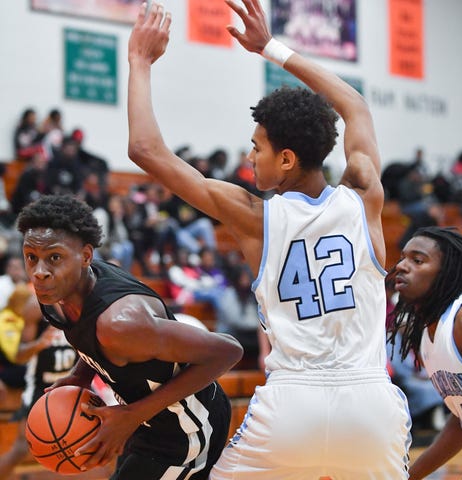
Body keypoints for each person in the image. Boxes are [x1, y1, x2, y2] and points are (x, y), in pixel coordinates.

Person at [127, 2, 411, 478]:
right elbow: (355, 105)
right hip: (371, 406)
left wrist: (139, 62)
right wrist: (272, 49)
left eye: (256, 146)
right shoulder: (365, 196)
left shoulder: (254, 216)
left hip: (291, 405)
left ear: (285, 159)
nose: (249, 154)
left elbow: (145, 150)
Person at [16, 194, 243, 479]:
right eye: (31, 258)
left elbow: (228, 351)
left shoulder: (121, 323)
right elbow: (91, 337)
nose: (39, 273)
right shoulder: (57, 294)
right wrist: (81, 375)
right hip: (146, 420)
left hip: (188, 427)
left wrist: (134, 414)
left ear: (86, 256)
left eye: (54, 258)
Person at [387, 226, 462, 479]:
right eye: (403, 257)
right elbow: (461, 421)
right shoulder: (428, 334)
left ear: (446, 274)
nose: (402, 266)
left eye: (417, 260)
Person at [0, 285, 78, 480]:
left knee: (83, 446)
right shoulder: (35, 307)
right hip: (39, 387)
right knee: (20, 448)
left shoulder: (81, 304)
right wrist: (39, 343)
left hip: (71, 387)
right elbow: (18, 355)